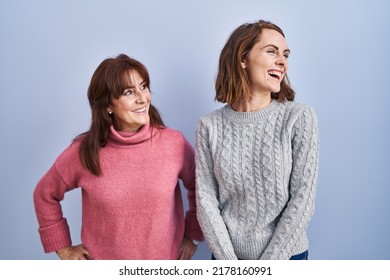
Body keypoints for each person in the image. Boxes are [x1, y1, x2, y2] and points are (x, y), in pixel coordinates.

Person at [33, 54, 203, 260]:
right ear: (108, 106)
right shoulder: (85, 151)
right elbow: (45, 194)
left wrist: (193, 235)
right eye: (129, 92)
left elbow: (202, 186)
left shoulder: (173, 143)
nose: (142, 98)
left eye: (143, 86)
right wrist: (63, 248)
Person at [195, 20, 319, 260]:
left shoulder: (299, 117)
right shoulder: (209, 126)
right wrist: (229, 264)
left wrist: (266, 268)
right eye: (271, 51)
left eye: (285, 54)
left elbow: (303, 199)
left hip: (286, 258)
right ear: (243, 58)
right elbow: (206, 201)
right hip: (226, 259)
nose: (282, 61)